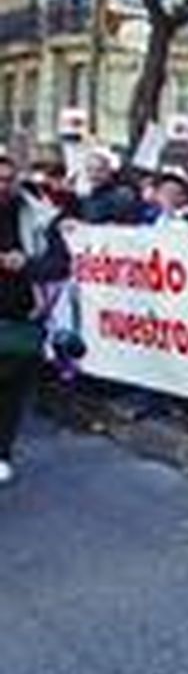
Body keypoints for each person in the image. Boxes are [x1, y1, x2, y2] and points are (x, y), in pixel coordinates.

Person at [0, 151, 70, 485]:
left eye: (7, 179)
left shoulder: (40, 216)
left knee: (11, 391)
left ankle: (2, 453)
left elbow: (59, 265)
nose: (3, 186)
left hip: (20, 316)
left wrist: (25, 264)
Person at [79, 148, 139, 224]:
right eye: (89, 170)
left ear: (110, 170)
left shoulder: (123, 195)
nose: (93, 175)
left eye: (100, 170)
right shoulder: (85, 197)